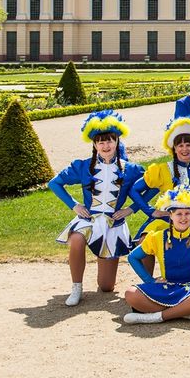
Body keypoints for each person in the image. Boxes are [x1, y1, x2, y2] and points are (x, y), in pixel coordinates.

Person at [48, 110, 144, 307]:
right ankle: (76, 287)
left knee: (106, 286)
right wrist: (74, 205)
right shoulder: (83, 167)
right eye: (100, 141)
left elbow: (153, 187)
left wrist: (131, 209)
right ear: (94, 144)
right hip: (88, 220)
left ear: (117, 141)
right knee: (76, 238)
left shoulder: (131, 169)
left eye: (109, 140)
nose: (105, 145)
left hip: (113, 224)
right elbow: (55, 183)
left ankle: (103, 277)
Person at [123, 186, 190, 324]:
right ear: (170, 215)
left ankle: (158, 316)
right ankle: (186, 313)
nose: (184, 218)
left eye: (188, 213)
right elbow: (133, 257)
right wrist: (150, 281)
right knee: (131, 294)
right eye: (179, 214)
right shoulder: (157, 237)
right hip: (165, 287)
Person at [130, 117, 190, 242]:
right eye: (180, 145)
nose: (185, 149)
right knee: (145, 240)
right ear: (174, 148)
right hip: (166, 218)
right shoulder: (162, 169)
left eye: (188, 145)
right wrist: (151, 211)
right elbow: (134, 190)